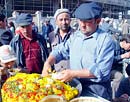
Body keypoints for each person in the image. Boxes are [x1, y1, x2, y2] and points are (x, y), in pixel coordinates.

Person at [42, 2, 114, 100]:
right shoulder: (76, 36)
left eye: (87, 21)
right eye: (80, 21)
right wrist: (48, 63)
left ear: (98, 21)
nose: (82, 25)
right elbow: (60, 50)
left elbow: (101, 71)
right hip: (76, 88)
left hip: (96, 91)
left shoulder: (105, 40)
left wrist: (73, 73)